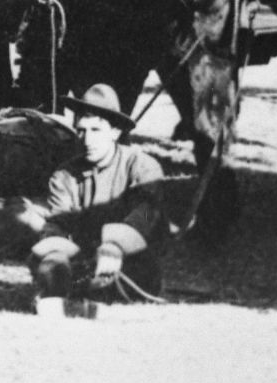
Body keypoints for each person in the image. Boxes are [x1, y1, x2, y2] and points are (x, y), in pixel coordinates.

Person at [24, 84, 171, 318]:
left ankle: (84, 304)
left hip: (131, 260)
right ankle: (77, 300)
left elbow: (146, 213)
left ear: (115, 132)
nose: (87, 139)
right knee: (49, 264)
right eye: (81, 130)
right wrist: (56, 250)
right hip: (85, 261)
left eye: (96, 130)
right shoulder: (65, 176)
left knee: (140, 271)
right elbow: (58, 222)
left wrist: (115, 245)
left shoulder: (142, 166)